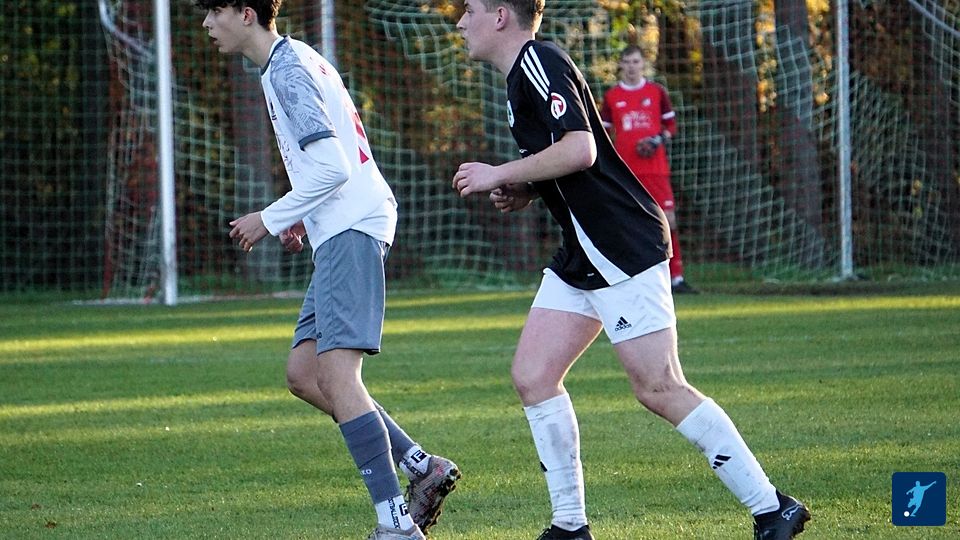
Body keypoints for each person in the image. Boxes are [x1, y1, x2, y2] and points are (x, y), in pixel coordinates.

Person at [453, 2, 809, 539]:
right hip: (583, 251)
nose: (460, 21)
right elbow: (571, 162)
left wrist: (498, 172)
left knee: (659, 386)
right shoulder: (521, 76)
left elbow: (581, 149)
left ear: (501, 15)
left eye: (469, 9)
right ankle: (569, 527)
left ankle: (772, 507)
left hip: (621, 245)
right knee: (533, 376)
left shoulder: (539, 61)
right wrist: (525, 187)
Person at [196, 2, 459, 539]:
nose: (206, 24)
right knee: (304, 374)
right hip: (341, 224)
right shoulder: (289, 61)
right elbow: (327, 163)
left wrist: (270, 218)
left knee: (338, 376)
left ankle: (395, 525)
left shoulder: (288, 70)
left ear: (246, 14)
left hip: (352, 225)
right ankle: (420, 466)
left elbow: (335, 167)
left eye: (215, 10)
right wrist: (300, 214)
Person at [600, 45, 695, 294]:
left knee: (668, 220)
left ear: (643, 64)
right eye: (627, 62)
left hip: (655, 170)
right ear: (621, 65)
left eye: (636, 61)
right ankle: (628, 276)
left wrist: (656, 140)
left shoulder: (657, 92)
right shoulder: (612, 96)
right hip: (625, 172)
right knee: (624, 222)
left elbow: (671, 126)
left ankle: (676, 277)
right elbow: (603, 133)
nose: (632, 66)